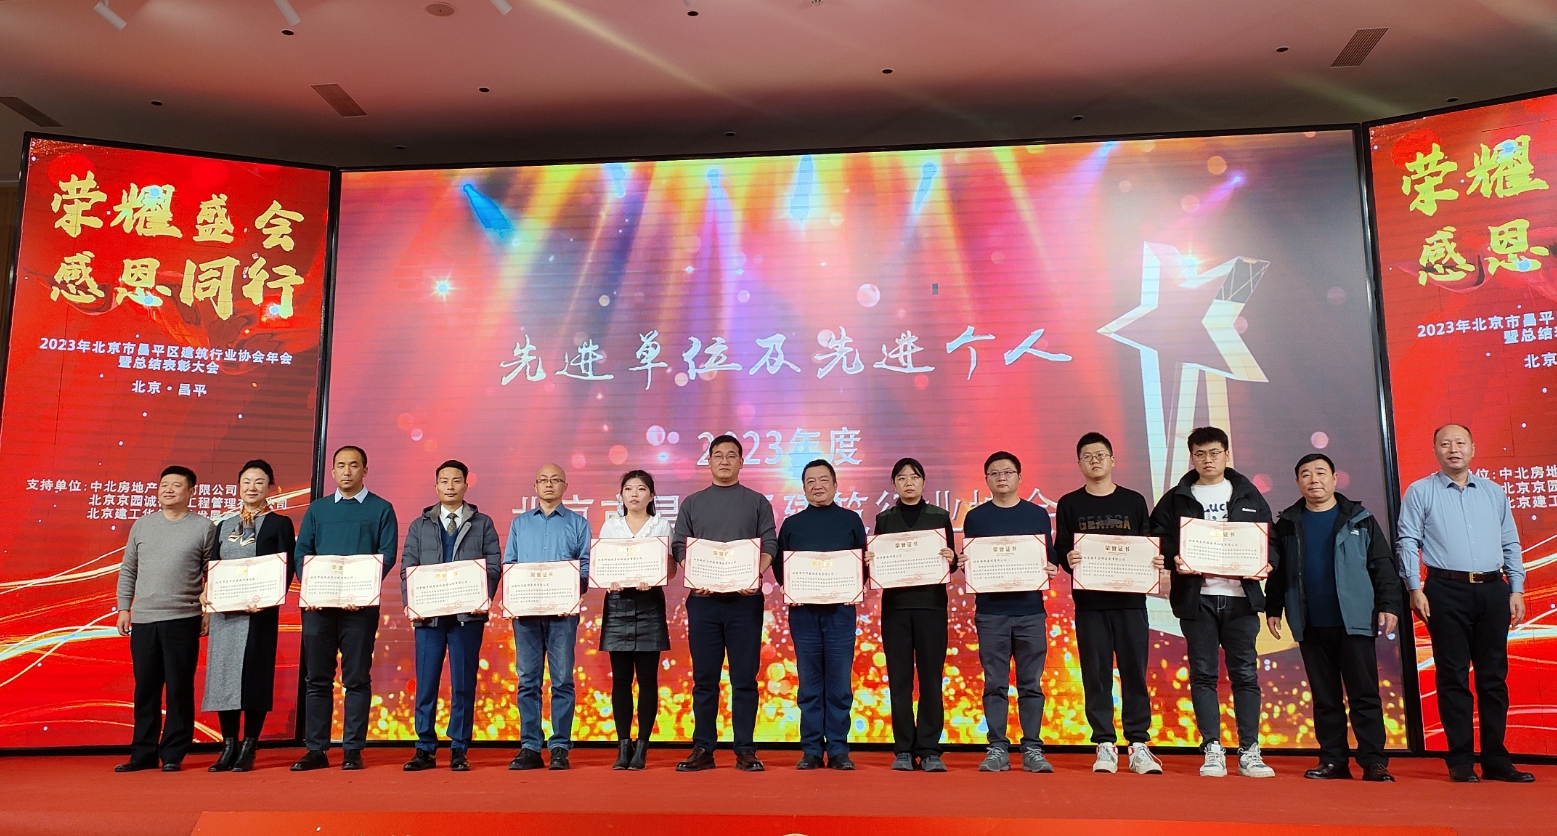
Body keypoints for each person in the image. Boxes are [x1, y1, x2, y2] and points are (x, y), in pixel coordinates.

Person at [1397, 424, 1533, 783]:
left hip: (1493, 589)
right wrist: (1414, 587)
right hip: (1444, 589)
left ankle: (1496, 759)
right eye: (1445, 443)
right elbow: (1407, 540)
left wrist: (1516, 588)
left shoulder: (1493, 492)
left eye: (1460, 443)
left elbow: (1510, 543)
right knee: (1452, 675)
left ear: (1473, 448)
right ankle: (1460, 759)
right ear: (1435, 451)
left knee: (1493, 677)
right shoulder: (1420, 491)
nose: (1453, 449)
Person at [1266, 453, 1402, 782]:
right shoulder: (1287, 524)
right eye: (1306, 474)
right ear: (1297, 482)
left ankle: (1373, 762)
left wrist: (1389, 604)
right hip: (1310, 622)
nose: (1314, 479)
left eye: (1320, 472)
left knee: (1364, 694)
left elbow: (1382, 565)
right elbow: (1277, 572)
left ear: (1334, 478)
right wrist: (1273, 609)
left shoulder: (1360, 518)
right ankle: (1333, 760)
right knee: (1325, 698)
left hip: (1354, 621)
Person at [1150, 426, 1275, 779]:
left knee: (1245, 674)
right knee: (1203, 675)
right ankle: (1212, 749)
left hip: (1241, 599)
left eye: (1214, 453)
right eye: (1201, 454)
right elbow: (1156, 537)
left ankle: (1249, 750)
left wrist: (1267, 563)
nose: (1208, 460)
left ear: (1226, 454)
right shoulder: (1177, 497)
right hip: (1197, 599)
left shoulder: (1248, 494)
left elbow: (1271, 540)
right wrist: (1173, 557)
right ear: (1192, 457)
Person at [1054, 433, 1163, 775]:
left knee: (1134, 672)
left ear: (1113, 460)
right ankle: (1104, 742)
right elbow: (1060, 547)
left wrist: (1155, 559)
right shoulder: (1069, 503)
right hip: (1090, 604)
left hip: (1131, 602)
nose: (1095, 461)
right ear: (1079, 464)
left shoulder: (1134, 500)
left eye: (1100, 455)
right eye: (1087, 456)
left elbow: (1147, 543)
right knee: (1096, 674)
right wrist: (1067, 557)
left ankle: (1138, 743)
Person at [671, 434, 777, 772]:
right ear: (709, 461)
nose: (725, 461)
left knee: (745, 678)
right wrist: (694, 574)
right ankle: (703, 747)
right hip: (704, 602)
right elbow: (679, 545)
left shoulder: (757, 502)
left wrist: (754, 574)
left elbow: (770, 544)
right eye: (718, 455)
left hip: (745, 602)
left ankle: (745, 749)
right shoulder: (692, 503)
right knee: (704, 679)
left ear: (742, 462)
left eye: (732, 455)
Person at [291, 446, 398, 772]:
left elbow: (387, 555)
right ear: (333, 471)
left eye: (354, 465)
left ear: (365, 470)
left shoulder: (381, 508)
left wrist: (361, 589)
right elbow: (302, 553)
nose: (347, 471)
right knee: (317, 679)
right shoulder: (317, 509)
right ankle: (316, 749)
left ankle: (353, 749)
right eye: (341, 465)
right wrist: (313, 589)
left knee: (356, 679)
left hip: (359, 608)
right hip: (319, 607)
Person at [399, 460, 502, 772]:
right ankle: (425, 747)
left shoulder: (482, 523)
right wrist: (411, 601)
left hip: (466, 617)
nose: (450, 486)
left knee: (463, 684)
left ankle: (459, 747)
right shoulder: (419, 525)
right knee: (426, 684)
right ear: (436, 486)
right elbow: (408, 567)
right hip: (429, 618)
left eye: (456, 481)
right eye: (444, 481)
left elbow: (493, 564)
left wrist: (481, 597)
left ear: (466, 485)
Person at [961, 451, 1059, 774]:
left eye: (1007, 472)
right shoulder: (976, 518)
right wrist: (964, 564)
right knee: (995, 682)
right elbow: (972, 561)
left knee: (1031, 683)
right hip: (991, 613)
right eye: (994, 473)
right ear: (986, 480)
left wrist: (1052, 566)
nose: (1001, 478)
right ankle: (997, 748)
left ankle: (1032, 748)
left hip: (1031, 611)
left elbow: (1050, 556)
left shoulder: (1037, 515)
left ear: (1019, 477)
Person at [114, 465, 216, 773]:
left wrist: (209, 612)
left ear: (191, 492)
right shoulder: (142, 526)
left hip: (184, 617)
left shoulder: (204, 527)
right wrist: (123, 608)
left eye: (176, 485)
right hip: (145, 619)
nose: (168, 490)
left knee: (179, 688)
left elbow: (212, 573)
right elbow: (129, 569)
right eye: (164, 485)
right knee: (145, 689)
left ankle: (173, 753)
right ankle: (142, 753)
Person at [202, 460, 296, 773]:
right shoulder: (224, 525)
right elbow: (214, 566)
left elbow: (285, 568)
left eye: (259, 482)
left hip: (260, 614)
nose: (251, 487)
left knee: (254, 677)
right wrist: (208, 595)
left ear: (270, 487)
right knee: (224, 675)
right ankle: (228, 744)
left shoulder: (279, 523)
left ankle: (249, 745)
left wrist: (268, 600)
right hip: (225, 614)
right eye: (246, 481)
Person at [775, 459, 867, 771]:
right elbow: (781, 568)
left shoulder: (851, 520)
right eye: (810, 481)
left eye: (824, 479)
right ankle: (812, 750)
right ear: (803, 488)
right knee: (810, 684)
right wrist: (793, 589)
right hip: (804, 615)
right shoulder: (792, 525)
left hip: (841, 613)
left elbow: (862, 565)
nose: (818, 486)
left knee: (839, 684)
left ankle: (839, 750)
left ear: (835, 485)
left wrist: (851, 586)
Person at [869, 457, 957, 773]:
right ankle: (904, 749)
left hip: (931, 607)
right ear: (894, 484)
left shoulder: (939, 516)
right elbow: (877, 566)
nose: (909, 482)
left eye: (915, 477)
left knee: (931, 679)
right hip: (895, 610)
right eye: (902, 478)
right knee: (900, 680)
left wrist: (951, 557)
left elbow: (951, 562)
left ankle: (930, 749)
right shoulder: (884, 520)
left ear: (923, 482)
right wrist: (871, 560)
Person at [503, 463, 591, 771]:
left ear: (565, 486)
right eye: (543, 480)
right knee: (527, 680)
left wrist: (569, 589)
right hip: (526, 614)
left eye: (555, 480)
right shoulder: (520, 524)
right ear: (535, 487)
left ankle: (560, 746)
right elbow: (510, 564)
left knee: (562, 679)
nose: (549, 484)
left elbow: (585, 565)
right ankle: (530, 746)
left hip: (562, 614)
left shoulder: (578, 523)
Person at [598, 469, 675, 771]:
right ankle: (623, 746)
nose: (634, 494)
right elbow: (603, 565)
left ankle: (642, 745)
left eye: (641, 489)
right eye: (628, 489)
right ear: (621, 495)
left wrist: (655, 575)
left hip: (649, 603)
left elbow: (670, 568)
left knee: (647, 680)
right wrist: (610, 579)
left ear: (651, 495)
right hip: (618, 603)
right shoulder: (611, 526)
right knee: (620, 680)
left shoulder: (662, 525)